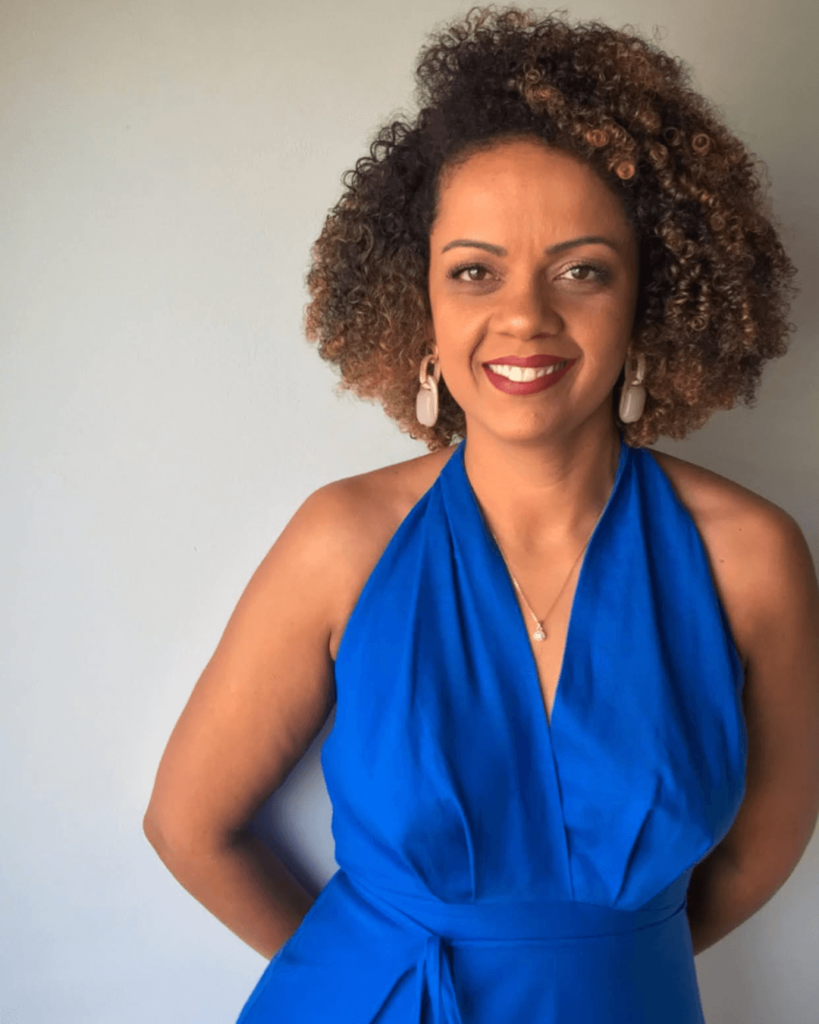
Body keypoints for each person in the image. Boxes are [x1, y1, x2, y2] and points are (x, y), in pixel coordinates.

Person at [143, 7, 819, 1022]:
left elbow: (762, 850)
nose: (525, 317)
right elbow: (189, 825)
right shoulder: (342, 540)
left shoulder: (750, 556)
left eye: (582, 270)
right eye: (474, 271)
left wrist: (586, 966)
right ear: (422, 306)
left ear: (649, 299)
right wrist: (366, 979)